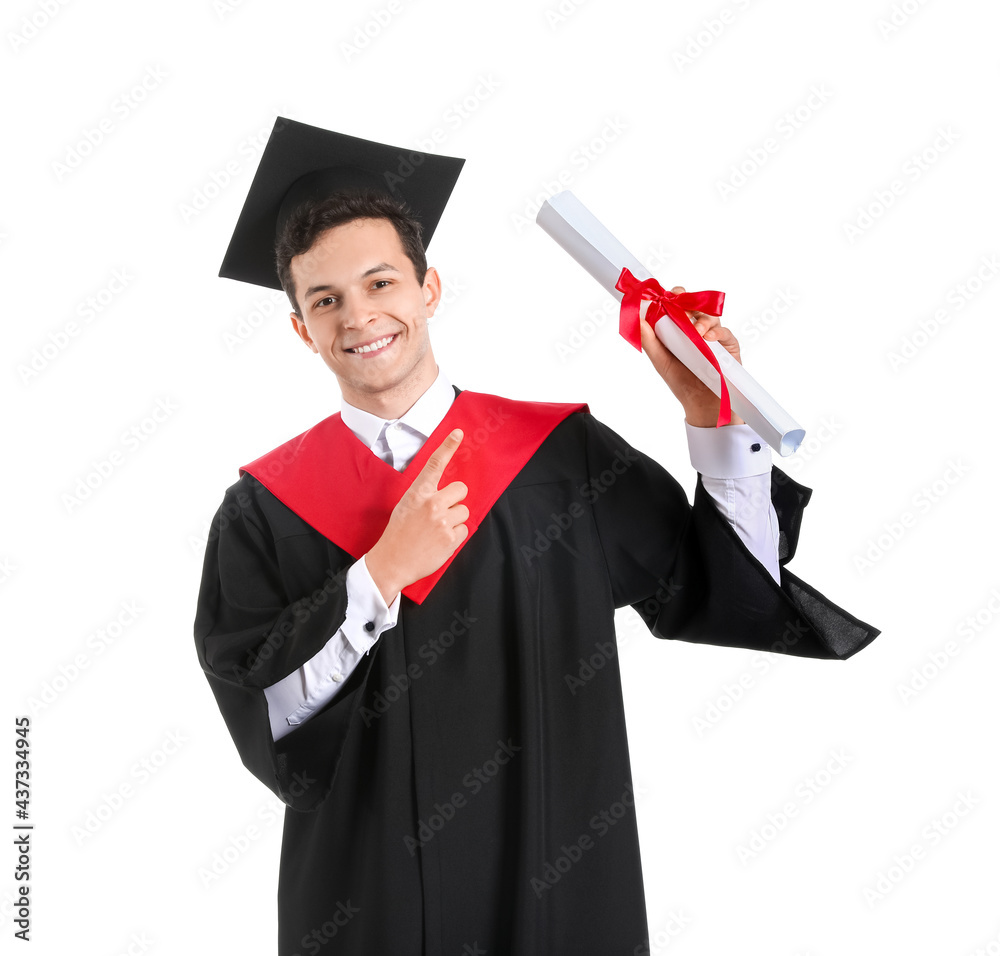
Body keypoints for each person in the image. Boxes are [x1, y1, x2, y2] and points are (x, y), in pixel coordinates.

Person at [195, 118, 878, 956]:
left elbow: (723, 589)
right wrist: (377, 576)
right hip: (368, 903)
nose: (359, 316)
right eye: (325, 299)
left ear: (429, 289)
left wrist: (714, 429)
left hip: (556, 877)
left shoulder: (557, 454)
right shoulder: (263, 509)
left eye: (381, 283)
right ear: (302, 326)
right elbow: (269, 723)